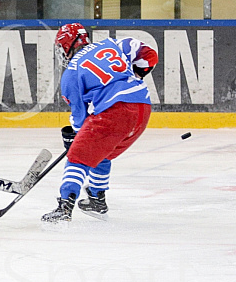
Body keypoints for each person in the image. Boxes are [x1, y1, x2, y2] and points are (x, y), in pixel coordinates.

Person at [42, 23, 158, 223]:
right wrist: (137, 75)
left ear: (67, 45)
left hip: (116, 111)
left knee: (78, 156)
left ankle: (65, 206)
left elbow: (79, 120)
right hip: (143, 108)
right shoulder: (113, 44)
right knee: (100, 152)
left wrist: (76, 139)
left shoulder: (71, 73)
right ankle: (97, 199)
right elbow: (149, 54)